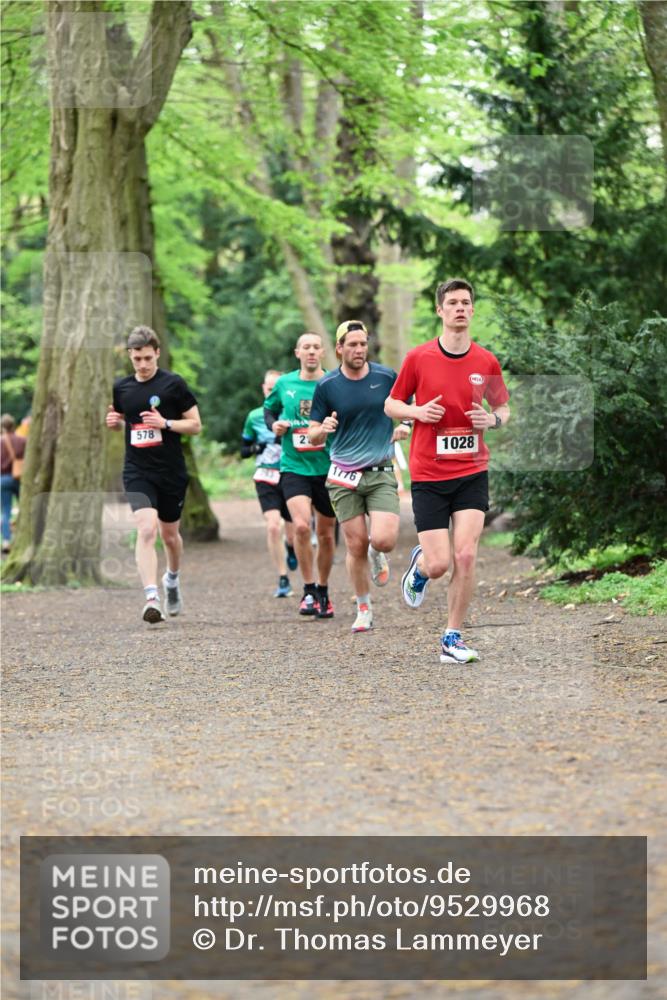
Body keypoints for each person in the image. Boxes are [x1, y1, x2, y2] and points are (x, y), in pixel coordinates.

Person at [385, 278, 510, 663]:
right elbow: (391, 404)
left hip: (472, 471)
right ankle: (421, 568)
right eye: (452, 302)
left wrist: (492, 420)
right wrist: (417, 411)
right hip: (429, 474)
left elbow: (503, 407)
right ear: (440, 310)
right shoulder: (418, 358)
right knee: (439, 563)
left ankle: (451, 638)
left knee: (466, 555)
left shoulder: (486, 361)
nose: (460, 308)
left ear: (472, 310)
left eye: (465, 302)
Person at [308, 321, 411, 632]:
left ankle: (376, 552)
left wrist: (405, 424)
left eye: (363, 344)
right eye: (352, 344)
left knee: (384, 540)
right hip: (343, 476)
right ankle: (363, 607)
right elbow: (312, 433)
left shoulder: (386, 377)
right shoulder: (327, 385)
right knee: (354, 545)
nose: (359, 350)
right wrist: (322, 430)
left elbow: (407, 407)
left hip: (380, 470)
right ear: (339, 348)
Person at [106, 326, 202, 623]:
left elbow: (195, 425)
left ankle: (171, 579)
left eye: (148, 358)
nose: (143, 364)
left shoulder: (174, 384)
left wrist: (166, 423)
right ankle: (151, 598)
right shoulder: (122, 388)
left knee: (170, 536)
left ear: (157, 353)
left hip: (171, 471)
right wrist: (114, 421)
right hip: (137, 470)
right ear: (130, 356)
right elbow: (123, 417)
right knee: (146, 529)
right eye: (137, 359)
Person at [264, 332, 337, 619]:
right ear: (298, 353)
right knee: (303, 527)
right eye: (306, 347)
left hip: (327, 467)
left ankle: (323, 589)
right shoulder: (284, 383)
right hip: (294, 466)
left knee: (326, 534)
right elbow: (268, 411)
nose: (311, 351)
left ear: (323, 352)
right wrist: (275, 425)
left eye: (316, 347)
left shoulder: (332, 382)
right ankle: (308, 590)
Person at [241, 369, 298, 598]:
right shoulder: (254, 417)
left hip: (290, 475)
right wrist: (257, 447)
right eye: (268, 388)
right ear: (263, 389)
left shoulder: (292, 413)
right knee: (273, 526)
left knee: (293, 533)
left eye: (276, 388)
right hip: (265, 476)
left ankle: (291, 548)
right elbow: (243, 449)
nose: (272, 391)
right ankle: (283, 577)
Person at [1, 414, 26, 553]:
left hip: (3, 479)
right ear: (14, 425)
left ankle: (6, 541)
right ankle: (22, 538)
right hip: (20, 478)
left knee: (6, 511)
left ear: (2, 427)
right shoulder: (23, 440)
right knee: (24, 509)